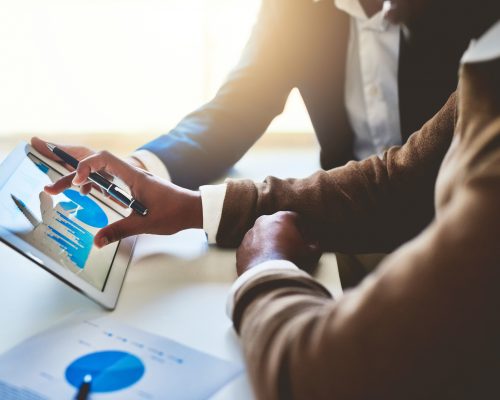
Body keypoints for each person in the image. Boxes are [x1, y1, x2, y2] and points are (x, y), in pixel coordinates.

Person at [43, 16, 500, 398]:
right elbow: (395, 178)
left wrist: (265, 269)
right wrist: (176, 195)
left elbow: (318, 373)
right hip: (345, 229)